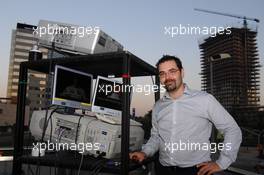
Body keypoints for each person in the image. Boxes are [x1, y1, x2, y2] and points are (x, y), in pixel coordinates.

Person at [129, 55, 242, 175]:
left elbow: (232, 130)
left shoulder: (204, 100)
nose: (167, 77)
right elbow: (156, 136)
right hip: (163, 169)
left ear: (182, 72)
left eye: (172, 71)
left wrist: (222, 162)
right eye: (162, 74)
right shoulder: (158, 106)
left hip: (196, 170)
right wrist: (145, 152)